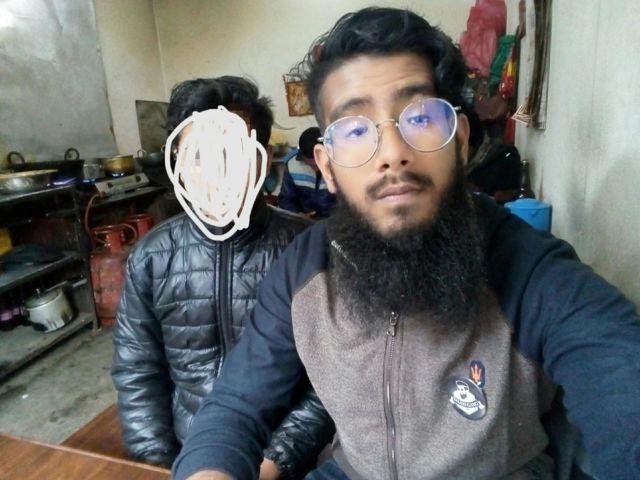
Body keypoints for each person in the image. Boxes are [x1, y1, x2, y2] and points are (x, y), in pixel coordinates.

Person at [172, 9, 640, 480]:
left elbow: (619, 374)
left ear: (460, 142)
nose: (393, 152)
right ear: (327, 167)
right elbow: (236, 406)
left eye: (420, 117)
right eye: (355, 130)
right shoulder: (303, 270)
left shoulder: (531, 272)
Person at [111, 76, 334, 479]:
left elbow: (330, 376)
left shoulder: (307, 250)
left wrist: (274, 463)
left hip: (287, 462)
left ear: (263, 158)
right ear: (178, 161)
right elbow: (138, 371)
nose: (216, 172)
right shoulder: (152, 256)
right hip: (187, 458)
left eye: (232, 154)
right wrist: (158, 463)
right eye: (198, 156)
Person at [277, 127, 336, 218]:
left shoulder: (340, 166)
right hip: (306, 222)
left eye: (319, 163)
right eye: (311, 165)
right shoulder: (292, 166)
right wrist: (297, 215)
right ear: (302, 155)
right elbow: (286, 199)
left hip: (337, 221)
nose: (316, 169)